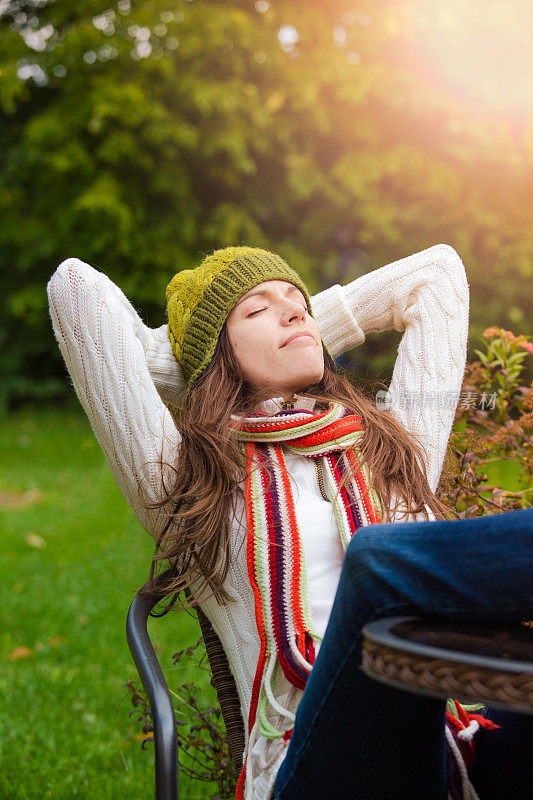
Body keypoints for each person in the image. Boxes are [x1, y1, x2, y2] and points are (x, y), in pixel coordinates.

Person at [47, 244, 533, 800]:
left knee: (384, 560)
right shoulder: (191, 485)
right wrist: (191, 354)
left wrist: (293, 327)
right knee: (376, 563)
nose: (296, 312)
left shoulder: (393, 448)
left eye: (299, 302)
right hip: (310, 765)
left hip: (441, 752)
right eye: (256, 310)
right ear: (217, 357)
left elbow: (439, 273)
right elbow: (75, 290)